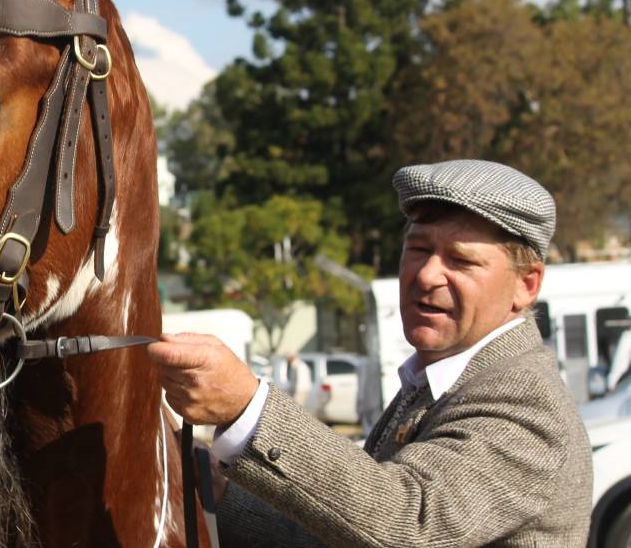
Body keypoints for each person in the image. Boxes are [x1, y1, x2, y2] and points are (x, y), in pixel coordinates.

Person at [149, 159, 592, 546]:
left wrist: (248, 409)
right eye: (418, 249)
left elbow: (408, 524)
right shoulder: (433, 385)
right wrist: (222, 491)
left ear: (526, 285)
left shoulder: (524, 403)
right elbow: (344, 533)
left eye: (460, 260)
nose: (427, 275)